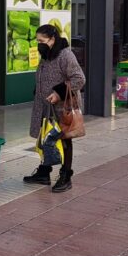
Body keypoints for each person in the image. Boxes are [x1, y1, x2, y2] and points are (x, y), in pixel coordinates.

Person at [24, 25, 85, 193]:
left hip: (61, 108)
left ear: (52, 39)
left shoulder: (65, 55)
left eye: (42, 40)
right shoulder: (46, 55)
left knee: (64, 140)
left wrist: (58, 93)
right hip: (45, 106)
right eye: (37, 40)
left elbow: (79, 79)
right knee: (45, 138)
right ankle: (44, 172)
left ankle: (66, 176)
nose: (39, 44)